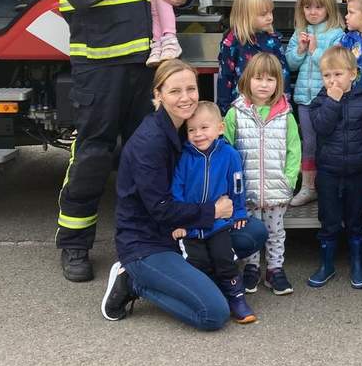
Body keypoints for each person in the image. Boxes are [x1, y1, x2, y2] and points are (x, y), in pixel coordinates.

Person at [43, 0, 191, 282]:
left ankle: (154, 240)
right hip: (100, 69)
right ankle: (74, 244)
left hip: (148, 69)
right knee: (92, 154)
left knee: (153, 155)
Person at [100, 59, 268, 329]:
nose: (185, 97)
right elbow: (161, 209)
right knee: (213, 314)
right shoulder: (150, 142)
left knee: (254, 232)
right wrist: (213, 211)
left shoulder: (185, 128)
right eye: (175, 91)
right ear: (158, 95)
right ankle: (133, 281)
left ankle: (199, 275)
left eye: (191, 89)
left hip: (186, 231)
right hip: (149, 241)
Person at [306, 46, 362, 290]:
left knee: (355, 221)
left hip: (358, 174)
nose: (332, 80)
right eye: (327, 75)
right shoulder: (320, 101)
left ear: (353, 74)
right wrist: (333, 101)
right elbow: (321, 128)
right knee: (329, 221)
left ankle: (357, 263)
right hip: (328, 173)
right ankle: (327, 264)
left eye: (337, 74)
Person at [169, 101, 255, 324]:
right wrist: (179, 222)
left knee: (224, 259)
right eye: (191, 130)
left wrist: (238, 212)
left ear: (220, 128)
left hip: (218, 224)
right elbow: (176, 190)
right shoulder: (184, 157)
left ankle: (237, 297)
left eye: (204, 128)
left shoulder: (229, 155)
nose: (198, 134)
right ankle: (208, 296)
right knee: (198, 263)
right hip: (190, 225)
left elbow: (237, 185)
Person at [223, 53, 300, 296]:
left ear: (279, 82)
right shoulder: (235, 113)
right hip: (246, 190)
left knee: (276, 232)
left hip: (276, 188)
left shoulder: (285, 115)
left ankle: (275, 269)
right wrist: (231, 185)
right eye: (258, 78)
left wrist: (289, 180)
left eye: (270, 79)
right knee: (250, 230)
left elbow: (294, 150)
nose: (264, 84)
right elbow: (225, 148)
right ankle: (252, 268)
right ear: (247, 80)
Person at [286, 0, 346, 207]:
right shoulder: (299, 32)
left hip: (329, 98)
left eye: (318, 7)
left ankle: (330, 185)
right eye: (307, 7)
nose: (312, 12)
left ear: (329, 8)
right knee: (308, 142)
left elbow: (336, 65)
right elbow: (290, 64)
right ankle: (308, 187)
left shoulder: (336, 34)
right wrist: (300, 50)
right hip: (304, 98)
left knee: (329, 141)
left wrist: (315, 50)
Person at [216, 0, 288, 114]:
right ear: (246, 16)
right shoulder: (231, 43)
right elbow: (225, 77)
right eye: (263, 14)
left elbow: (283, 73)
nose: (270, 18)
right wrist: (223, 110)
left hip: (270, 107)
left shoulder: (272, 40)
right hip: (240, 109)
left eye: (271, 12)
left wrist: (285, 101)